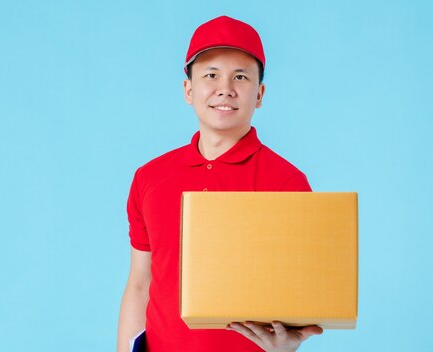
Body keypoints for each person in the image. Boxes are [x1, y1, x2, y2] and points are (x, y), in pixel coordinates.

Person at [117, 16, 324, 352]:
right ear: (188, 89)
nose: (224, 88)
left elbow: (299, 294)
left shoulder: (287, 181)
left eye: (240, 77)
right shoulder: (150, 177)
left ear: (259, 94)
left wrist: (286, 347)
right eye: (210, 75)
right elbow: (140, 283)